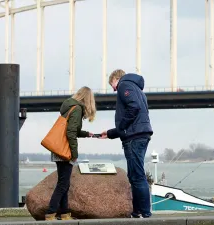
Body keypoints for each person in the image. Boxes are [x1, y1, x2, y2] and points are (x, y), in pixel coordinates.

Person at [99, 69, 153, 218]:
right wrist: (110, 133)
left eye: (112, 85)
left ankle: (145, 213)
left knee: (137, 176)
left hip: (134, 137)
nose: (113, 89)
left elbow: (133, 108)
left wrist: (120, 127)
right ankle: (137, 212)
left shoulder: (124, 85)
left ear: (117, 79)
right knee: (135, 175)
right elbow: (135, 117)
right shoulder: (139, 90)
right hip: (140, 134)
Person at [45, 86, 96, 221]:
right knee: (63, 184)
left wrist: (87, 134)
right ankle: (50, 213)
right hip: (65, 151)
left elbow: (71, 130)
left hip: (58, 149)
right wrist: (74, 153)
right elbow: (71, 133)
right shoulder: (77, 109)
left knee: (64, 183)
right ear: (88, 99)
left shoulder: (69, 107)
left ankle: (65, 213)